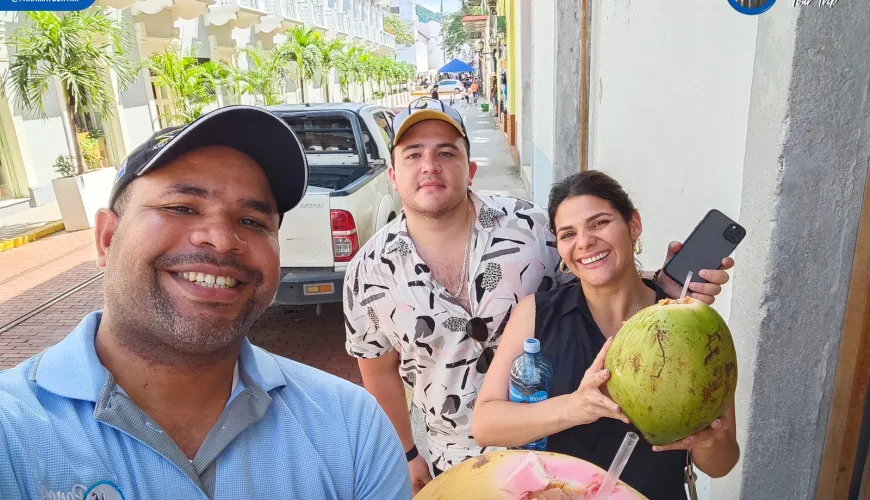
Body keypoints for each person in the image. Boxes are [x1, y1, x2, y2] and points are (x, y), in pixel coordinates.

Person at [0, 106, 411, 500]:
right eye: (181, 207)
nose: (220, 238)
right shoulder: (13, 431)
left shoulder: (351, 428)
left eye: (251, 221)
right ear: (107, 238)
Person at [342, 98, 734, 495]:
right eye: (413, 155)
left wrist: (663, 289)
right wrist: (407, 453)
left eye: (446, 152)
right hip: (458, 458)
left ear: (470, 169)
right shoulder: (366, 274)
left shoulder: (528, 227)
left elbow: (592, 263)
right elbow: (377, 373)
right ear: (392, 175)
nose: (430, 165)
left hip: (544, 460)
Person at [472, 171, 739, 500]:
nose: (584, 242)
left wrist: (709, 441)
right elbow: (485, 423)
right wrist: (575, 407)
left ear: (634, 225)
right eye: (568, 233)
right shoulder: (538, 313)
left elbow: (722, 464)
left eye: (599, 223)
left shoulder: (691, 328)